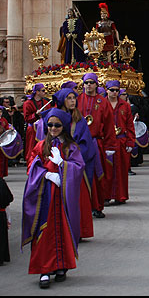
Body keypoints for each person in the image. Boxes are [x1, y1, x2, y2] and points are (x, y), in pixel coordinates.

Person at [22, 108, 85, 289]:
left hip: (63, 194)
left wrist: (63, 166)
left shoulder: (70, 147)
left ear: (63, 126)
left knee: (63, 228)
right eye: (50, 125)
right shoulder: (41, 145)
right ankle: (44, 269)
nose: (53, 128)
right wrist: (46, 175)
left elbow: (79, 167)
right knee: (45, 229)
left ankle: (61, 265)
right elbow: (31, 165)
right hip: (45, 194)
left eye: (57, 125)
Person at [53, 87, 101, 240]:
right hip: (56, 162)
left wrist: (74, 156)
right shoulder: (54, 119)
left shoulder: (79, 120)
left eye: (74, 98)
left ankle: (77, 230)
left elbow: (86, 142)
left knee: (77, 198)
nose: (73, 101)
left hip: (74, 163)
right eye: (69, 98)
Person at [77, 72, 116, 218]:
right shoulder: (77, 100)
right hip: (79, 144)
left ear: (96, 84)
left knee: (97, 176)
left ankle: (97, 206)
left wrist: (110, 146)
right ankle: (82, 206)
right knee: (81, 176)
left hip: (96, 143)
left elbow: (109, 126)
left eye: (91, 82)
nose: (89, 85)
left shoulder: (103, 102)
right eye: (86, 83)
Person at [105, 80, 135, 205]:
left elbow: (130, 125)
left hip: (121, 141)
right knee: (106, 170)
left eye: (117, 90)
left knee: (121, 170)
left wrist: (130, 142)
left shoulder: (125, 105)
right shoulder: (102, 104)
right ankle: (106, 196)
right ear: (107, 90)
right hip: (107, 142)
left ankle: (120, 195)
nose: (114, 92)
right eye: (112, 90)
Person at [22, 83, 49, 161]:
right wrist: (36, 115)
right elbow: (27, 118)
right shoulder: (27, 103)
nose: (45, 92)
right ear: (37, 92)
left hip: (44, 128)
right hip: (33, 129)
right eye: (43, 90)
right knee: (31, 147)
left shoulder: (45, 102)